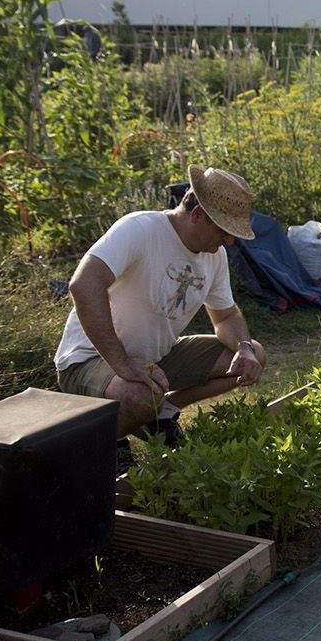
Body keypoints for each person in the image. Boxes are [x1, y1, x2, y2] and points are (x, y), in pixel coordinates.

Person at [55, 166, 267, 439]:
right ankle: (110, 441)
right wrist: (121, 363)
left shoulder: (215, 257)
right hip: (89, 359)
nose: (229, 240)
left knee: (255, 357)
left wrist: (244, 347)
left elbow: (225, 317)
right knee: (139, 396)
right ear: (198, 215)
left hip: (153, 359)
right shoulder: (140, 229)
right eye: (224, 230)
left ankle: (158, 413)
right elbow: (84, 285)